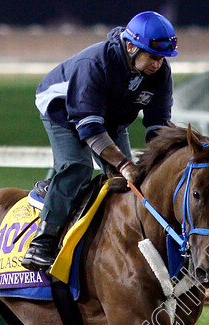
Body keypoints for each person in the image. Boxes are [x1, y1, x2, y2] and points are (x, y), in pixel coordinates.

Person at [21, 11, 178, 271]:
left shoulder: (160, 74)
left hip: (109, 118)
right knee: (77, 167)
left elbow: (158, 126)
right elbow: (90, 128)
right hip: (64, 111)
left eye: (162, 58)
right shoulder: (95, 63)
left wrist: (162, 161)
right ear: (131, 47)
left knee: (128, 183)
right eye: (152, 56)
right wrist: (124, 163)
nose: (158, 64)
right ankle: (42, 243)